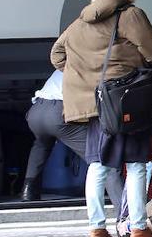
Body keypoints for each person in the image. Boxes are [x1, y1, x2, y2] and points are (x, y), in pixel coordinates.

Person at [50, 0, 152, 237]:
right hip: (125, 101)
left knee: (97, 165)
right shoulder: (130, 14)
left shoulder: (80, 21)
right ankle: (138, 231)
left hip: (94, 105)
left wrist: (86, 77)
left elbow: (57, 55)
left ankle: (97, 232)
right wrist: (130, 67)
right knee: (136, 164)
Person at [21, 70, 125, 215]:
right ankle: (125, 214)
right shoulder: (91, 66)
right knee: (103, 159)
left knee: (42, 144)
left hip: (35, 112)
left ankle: (28, 191)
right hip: (58, 113)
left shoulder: (66, 64)